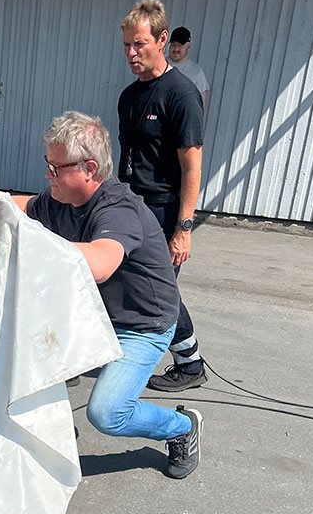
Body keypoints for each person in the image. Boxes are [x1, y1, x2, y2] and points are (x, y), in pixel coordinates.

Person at [11, 111, 203, 479]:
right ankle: (44, 429)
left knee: (108, 412)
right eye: (47, 165)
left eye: (55, 168)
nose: (47, 175)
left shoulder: (119, 208)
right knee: (18, 344)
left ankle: (181, 427)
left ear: (89, 168)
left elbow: (100, 262)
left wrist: (42, 249)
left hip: (142, 325)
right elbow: (20, 207)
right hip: (96, 313)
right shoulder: (60, 199)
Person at [117, 0, 207, 392]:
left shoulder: (181, 95)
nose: (131, 53)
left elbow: (192, 167)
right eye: (126, 46)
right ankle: (118, 351)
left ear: (162, 39)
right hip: (130, 204)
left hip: (164, 209)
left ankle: (190, 363)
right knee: (119, 281)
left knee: (158, 292)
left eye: (139, 44)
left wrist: (184, 228)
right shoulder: (130, 97)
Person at [167, 26, 210, 110]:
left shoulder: (196, 72)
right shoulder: (158, 63)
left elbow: (200, 106)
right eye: (173, 45)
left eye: (180, 45)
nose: (176, 49)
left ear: (188, 45)